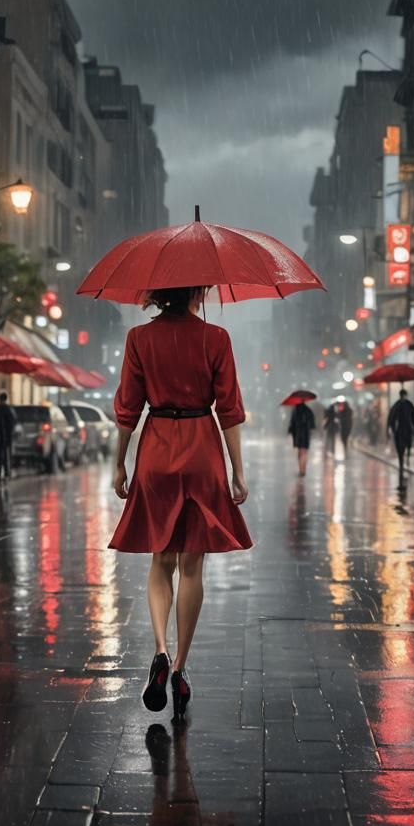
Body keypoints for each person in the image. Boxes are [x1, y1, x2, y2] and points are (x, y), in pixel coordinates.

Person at [111, 285, 251, 722]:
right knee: (193, 565)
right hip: (202, 450)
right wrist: (237, 470)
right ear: (198, 291)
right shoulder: (216, 339)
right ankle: (180, 668)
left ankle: (158, 648)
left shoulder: (139, 339)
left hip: (155, 449)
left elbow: (127, 410)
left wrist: (119, 464)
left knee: (161, 560)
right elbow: (228, 410)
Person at [387, 389, 414, 479]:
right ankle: (402, 461)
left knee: (408, 444)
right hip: (400, 430)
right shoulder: (397, 405)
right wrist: (392, 428)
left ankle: (406, 458)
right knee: (400, 446)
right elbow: (391, 418)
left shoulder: (409, 405)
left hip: (407, 429)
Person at [288, 401, 316, 476]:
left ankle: (301, 469)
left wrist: (291, 431)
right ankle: (304, 469)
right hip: (306, 434)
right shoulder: (308, 410)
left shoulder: (295, 410)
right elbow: (313, 424)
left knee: (300, 452)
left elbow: (292, 423)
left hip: (297, 434)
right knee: (304, 451)